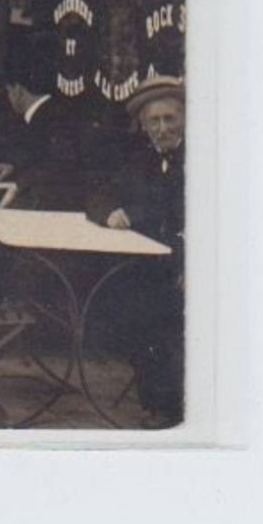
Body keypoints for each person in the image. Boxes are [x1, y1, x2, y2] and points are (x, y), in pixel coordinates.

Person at [85, 76, 185, 427]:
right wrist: (109, 212)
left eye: (170, 119)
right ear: (143, 126)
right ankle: (156, 401)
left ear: (184, 119)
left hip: (187, 267)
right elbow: (98, 196)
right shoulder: (139, 161)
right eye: (154, 121)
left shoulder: (202, 161)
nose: (162, 128)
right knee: (127, 307)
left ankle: (174, 406)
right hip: (146, 267)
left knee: (165, 319)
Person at [0, 28, 110, 212]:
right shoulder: (46, 114)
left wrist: (19, 185)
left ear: (17, 90)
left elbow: (60, 165)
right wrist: (14, 168)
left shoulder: (54, 118)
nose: (9, 98)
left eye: (8, 91)